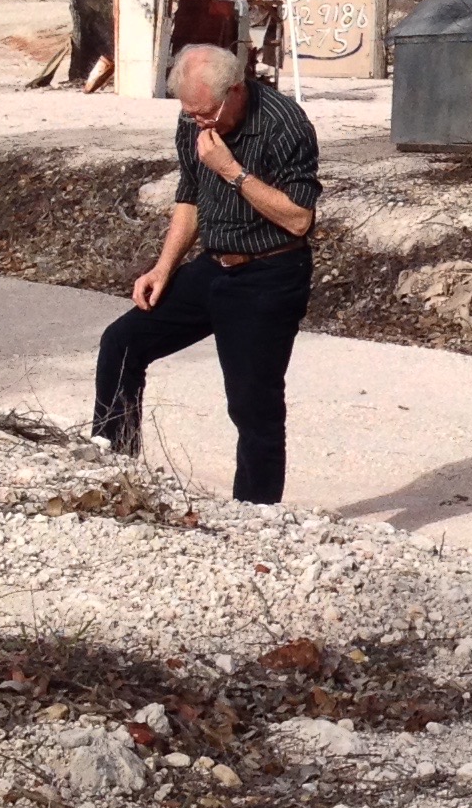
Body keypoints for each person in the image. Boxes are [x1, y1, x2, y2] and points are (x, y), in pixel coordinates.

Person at [91, 41, 321, 502]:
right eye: (191, 113)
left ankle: (255, 518)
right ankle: (115, 469)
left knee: (253, 406)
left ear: (235, 91)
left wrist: (232, 170)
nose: (198, 122)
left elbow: (299, 217)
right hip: (211, 267)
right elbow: (190, 196)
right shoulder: (193, 116)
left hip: (268, 275)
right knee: (121, 343)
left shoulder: (284, 124)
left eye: (206, 113)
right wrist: (163, 268)